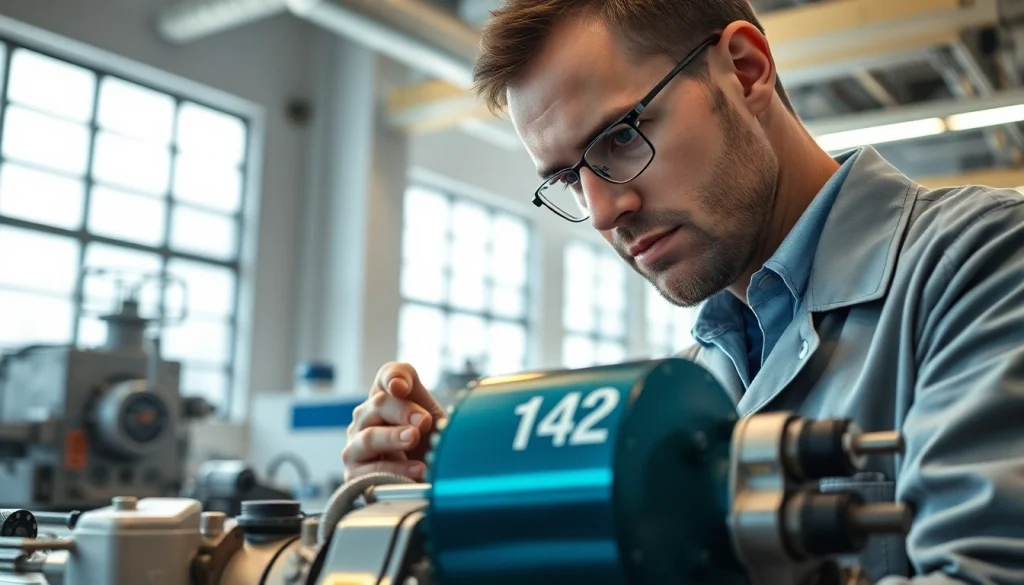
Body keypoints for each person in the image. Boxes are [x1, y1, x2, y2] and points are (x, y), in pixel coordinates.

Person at [342, 0, 1024, 582]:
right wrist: (456, 504)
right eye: (568, 180)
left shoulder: (984, 264)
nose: (604, 210)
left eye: (619, 137)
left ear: (745, 70)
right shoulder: (702, 374)